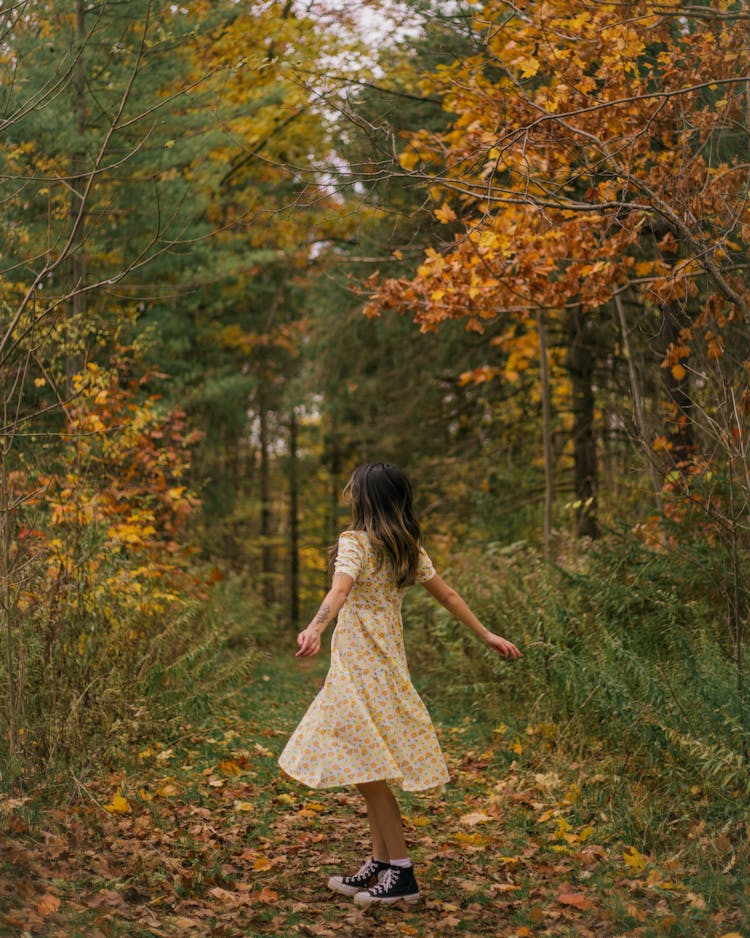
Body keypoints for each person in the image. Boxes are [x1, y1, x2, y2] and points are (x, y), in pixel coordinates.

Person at [278, 462, 521, 907]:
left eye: (353, 490)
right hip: (384, 668)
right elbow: (447, 594)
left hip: (360, 670)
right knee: (366, 766)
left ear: (366, 499)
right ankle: (380, 862)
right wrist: (485, 633)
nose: (349, 495)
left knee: (368, 770)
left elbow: (339, 590)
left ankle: (402, 873)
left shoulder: (354, 543)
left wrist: (315, 627)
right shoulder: (405, 547)